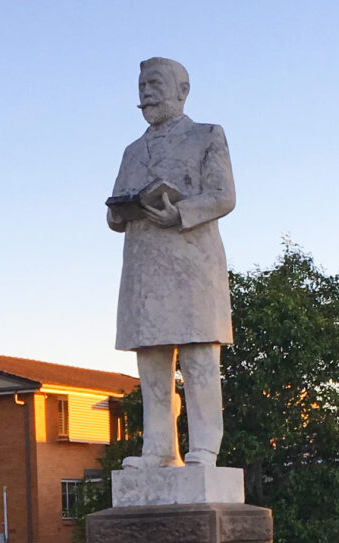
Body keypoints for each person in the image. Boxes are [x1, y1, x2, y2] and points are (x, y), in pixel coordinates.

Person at [108, 57, 235, 468]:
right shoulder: (131, 151)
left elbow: (223, 195)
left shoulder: (207, 135)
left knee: (199, 356)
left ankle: (204, 446)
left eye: (155, 83)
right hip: (145, 267)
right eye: (142, 84)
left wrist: (181, 213)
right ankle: (159, 448)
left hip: (192, 264)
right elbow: (113, 210)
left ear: (182, 91)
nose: (145, 91)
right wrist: (120, 211)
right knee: (152, 361)